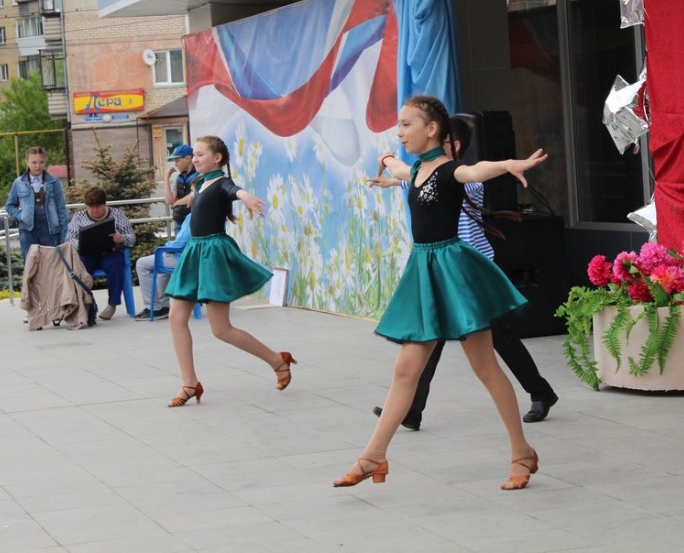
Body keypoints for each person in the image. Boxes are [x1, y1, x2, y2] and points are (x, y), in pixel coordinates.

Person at [333, 95, 548, 491]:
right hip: (424, 272)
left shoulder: (450, 171)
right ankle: (373, 456)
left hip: (452, 273)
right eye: (399, 125)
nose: (400, 132)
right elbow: (400, 169)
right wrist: (386, 161)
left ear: (431, 129)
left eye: (406, 124)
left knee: (485, 367)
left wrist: (508, 165)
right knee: (405, 370)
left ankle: (522, 452)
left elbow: (475, 171)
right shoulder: (416, 168)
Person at [369, 118, 559, 429]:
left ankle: (541, 393)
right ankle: (412, 409)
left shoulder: (463, 180)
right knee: (429, 339)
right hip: (446, 274)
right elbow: (416, 179)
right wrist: (390, 167)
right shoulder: (434, 174)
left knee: (501, 339)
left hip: (473, 273)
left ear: (454, 145)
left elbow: (471, 173)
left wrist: (508, 164)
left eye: (443, 141)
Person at [163, 135, 295, 407]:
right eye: (194, 154)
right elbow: (187, 201)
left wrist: (246, 197)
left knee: (221, 330)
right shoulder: (199, 183)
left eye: (200, 154)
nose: (195, 158)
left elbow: (235, 190)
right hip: (194, 252)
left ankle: (277, 360)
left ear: (217, 158)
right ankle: (189, 383)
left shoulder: (221, 182)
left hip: (213, 255)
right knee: (176, 318)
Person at [66, 187, 136, 320]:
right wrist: (81, 243)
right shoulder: (79, 217)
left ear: (104, 204)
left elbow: (132, 237)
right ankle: (84, 303)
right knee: (79, 268)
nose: (94, 210)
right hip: (88, 254)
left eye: (98, 206)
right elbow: (69, 239)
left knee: (116, 265)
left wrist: (122, 238)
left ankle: (112, 304)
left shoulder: (117, 214)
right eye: (91, 207)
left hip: (111, 252)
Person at [5, 146, 68, 259]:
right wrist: (21, 215)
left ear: (45, 162)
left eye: (41, 162)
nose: (38, 166)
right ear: (27, 162)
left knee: (51, 264)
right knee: (31, 265)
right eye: (34, 162)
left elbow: (61, 209)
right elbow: (10, 205)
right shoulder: (19, 183)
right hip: (28, 231)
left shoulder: (54, 182)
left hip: (50, 230)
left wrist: (64, 235)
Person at [134, 217, 191, 320]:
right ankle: (163, 306)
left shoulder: (193, 216)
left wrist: (167, 245)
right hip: (200, 258)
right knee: (161, 263)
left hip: (184, 258)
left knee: (141, 263)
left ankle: (154, 308)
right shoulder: (214, 214)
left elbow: (180, 243)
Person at [163, 143, 198, 231]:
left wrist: (177, 203)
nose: (175, 164)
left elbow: (195, 194)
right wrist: (166, 179)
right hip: (179, 222)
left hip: (194, 221)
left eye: (177, 160)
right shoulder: (179, 178)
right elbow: (169, 200)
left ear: (188, 159)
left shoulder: (199, 175)